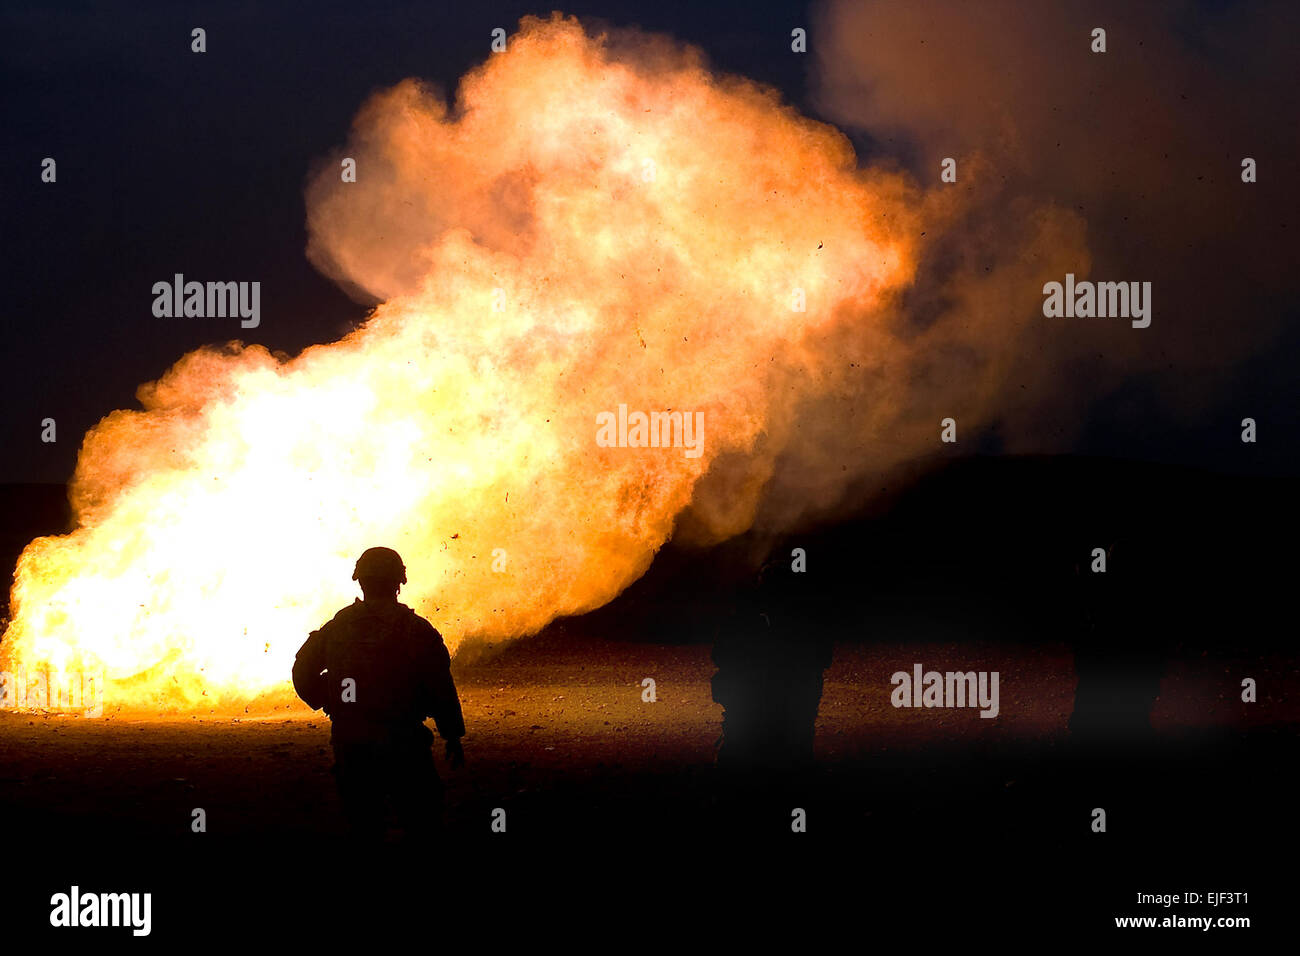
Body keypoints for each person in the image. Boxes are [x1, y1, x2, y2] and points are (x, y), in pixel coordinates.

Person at [292, 547, 465, 840]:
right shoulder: (417, 630)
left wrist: (330, 700)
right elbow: (439, 685)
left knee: (364, 823)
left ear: (361, 582)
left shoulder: (337, 628)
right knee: (422, 821)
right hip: (404, 742)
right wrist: (452, 735)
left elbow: (302, 671)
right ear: (399, 582)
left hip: (352, 742)